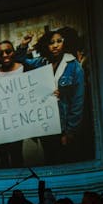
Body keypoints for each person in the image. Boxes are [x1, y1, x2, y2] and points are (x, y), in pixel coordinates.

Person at [18, 28, 85, 164]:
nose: (55, 45)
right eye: (51, 42)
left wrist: (70, 131)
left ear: (65, 43)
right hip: (46, 123)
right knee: (50, 159)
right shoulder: (42, 62)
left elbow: (78, 100)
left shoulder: (74, 66)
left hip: (64, 123)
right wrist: (23, 45)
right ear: (45, 46)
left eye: (59, 41)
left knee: (67, 161)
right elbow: (21, 61)